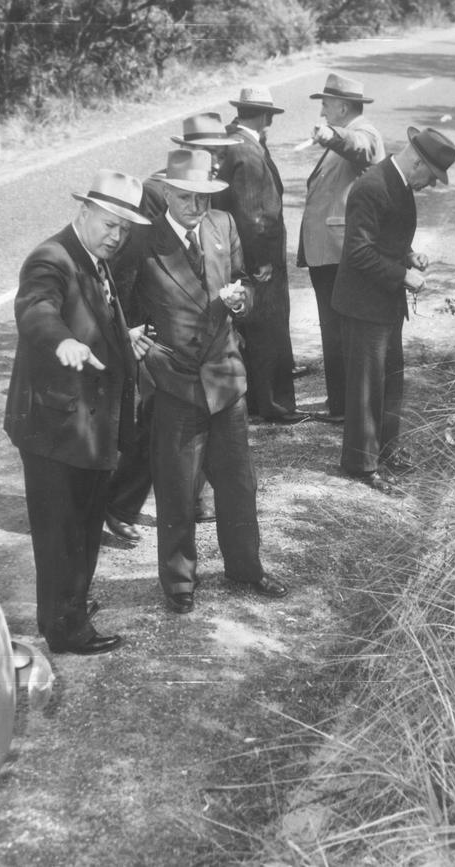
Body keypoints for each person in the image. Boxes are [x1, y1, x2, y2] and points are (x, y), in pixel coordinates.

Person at [128, 148, 289, 612]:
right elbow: (122, 305)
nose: (196, 208)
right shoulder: (144, 241)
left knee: (239, 484)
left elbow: (245, 286)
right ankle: (179, 582)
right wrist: (137, 342)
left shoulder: (223, 225)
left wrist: (243, 302)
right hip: (175, 382)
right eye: (185, 198)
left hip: (225, 377)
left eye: (203, 198)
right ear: (167, 194)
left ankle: (246, 569)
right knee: (178, 488)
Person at [3, 169, 153, 654]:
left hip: (85, 426)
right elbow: (35, 309)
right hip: (54, 426)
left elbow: (93, 316)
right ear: (83, 211)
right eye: (110, 223)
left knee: (84, 524)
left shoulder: (93, 257)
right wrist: (62, 340)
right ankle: (66, 631)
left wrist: (119, 340)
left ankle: (67, 607)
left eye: (124, 229)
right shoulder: (52, 257)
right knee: (61, 532)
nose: (117, 236)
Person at [105, 113, 242, 544]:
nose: (215, 154)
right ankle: (119, 504)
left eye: (218, 148)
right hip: (164, 335)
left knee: (187, 427)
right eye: (207, 147)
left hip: (207, 330)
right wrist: (134, 333)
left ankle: (171, 499)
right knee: (155, 427)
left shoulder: (210, 182)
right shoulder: (155, 189)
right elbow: (132, 269)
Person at [332, 127, 455, 494]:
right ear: (417, 162)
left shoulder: (399, 183)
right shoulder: (372, 186)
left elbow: (385, 238)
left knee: (390, 383)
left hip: (384, 303)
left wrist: (408, 254)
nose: (432, 185)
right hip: (363, 305)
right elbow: (357, 252)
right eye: (432, 177)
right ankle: (361, 463)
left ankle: (385, 452)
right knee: (366, 388)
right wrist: (404, 274)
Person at [297, 73, 385, 424]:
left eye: (326, 103)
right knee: (334, 329)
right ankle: (342, 406)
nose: (322, 109)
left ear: (343, 106)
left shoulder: (364, 132)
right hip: (330, 251)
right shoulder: (353, 131)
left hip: (339, 251)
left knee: (340, 330)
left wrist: (332, 135)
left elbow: (359, 147)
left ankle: (347, 408)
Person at [216, 86, 305, 423]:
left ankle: (255, 400)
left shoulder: (232, 141)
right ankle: (274, 405)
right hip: (259, 257)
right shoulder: (248, 153)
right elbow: (254, 215)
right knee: (268, 328)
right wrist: (259, 263)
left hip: (239, 253)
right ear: (267, 116)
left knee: (251, 329)